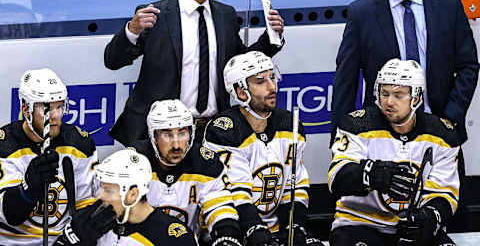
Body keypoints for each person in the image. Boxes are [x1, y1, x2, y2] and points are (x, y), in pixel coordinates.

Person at [104, 0, 286, 146]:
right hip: (160, 134)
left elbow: (241, 64)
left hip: (212, 132)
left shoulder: (225, 15)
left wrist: (272, 37)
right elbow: (113, 60)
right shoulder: (156, 15)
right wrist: (132, 30)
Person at [331, 0, 479, 146]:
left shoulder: (448, 6)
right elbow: (346, 80)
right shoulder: (362, 13)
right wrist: (340, 137)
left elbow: (468, 66)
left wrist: (450, 118)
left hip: (439, 131)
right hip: (380, 135)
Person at [328, 59, 459, 246]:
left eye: (398, 95)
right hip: (360, 224)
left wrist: (428, 217)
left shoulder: (442, 136)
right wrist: (372, 174)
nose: (389, 102)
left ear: (416, 97)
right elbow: (336, 178)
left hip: (410, 228)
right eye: (385, 93)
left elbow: (445, 193)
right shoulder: (357, 125)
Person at [204, 51, 323, 246]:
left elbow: (295, 185)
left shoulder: (289, 124)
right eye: (260, 81)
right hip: (235, 229)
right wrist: (254, 228)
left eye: (272, 78)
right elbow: (236, 191)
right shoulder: (224, 130)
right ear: (241, 92)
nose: (272, 87)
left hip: (275, 229)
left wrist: (294, 225)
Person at [0, 68, 97, 245]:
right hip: (12, 242)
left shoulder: (79, 144)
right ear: (25, 109)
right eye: (46, 108)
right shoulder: (5, 146)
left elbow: (87, 206)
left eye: (59, 107)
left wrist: (71, 238)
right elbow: (8, 216)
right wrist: (27, 189)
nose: (55, 115)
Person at [133, 99, 243, 246]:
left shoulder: (205, 163)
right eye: (167, 134)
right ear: (154, 136)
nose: (177, 145)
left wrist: (227, 235)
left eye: (182, 133)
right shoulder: (133, 163)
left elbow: (219, 207)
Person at [54, 148, 197, 245]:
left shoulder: (174, 238)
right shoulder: (92, 220)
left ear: (132, 194)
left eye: (108, 190)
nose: (100, 195)